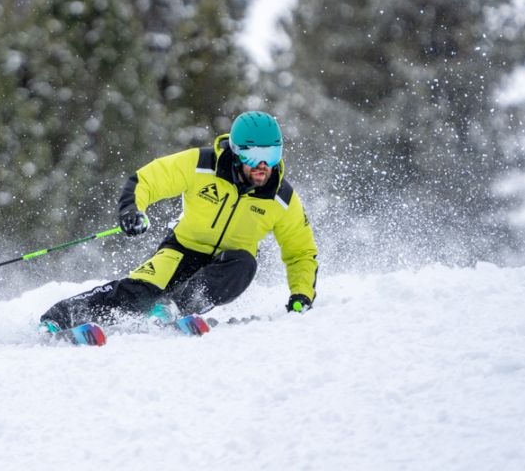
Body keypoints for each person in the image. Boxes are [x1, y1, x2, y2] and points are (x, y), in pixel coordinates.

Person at [40, 111, 319, 333]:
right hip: (181, 250)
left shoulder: (281, 198)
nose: (263, 166)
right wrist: (132, 210)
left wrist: (301, 295)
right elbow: (148, 179)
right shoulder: (202, 164)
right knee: (138, 292)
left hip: (226, 266)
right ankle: (61, 316)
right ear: (236, 152)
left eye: (271, 156)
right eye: (254, 156)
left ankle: (174, 309)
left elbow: (301, 252)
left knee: (245, 262)